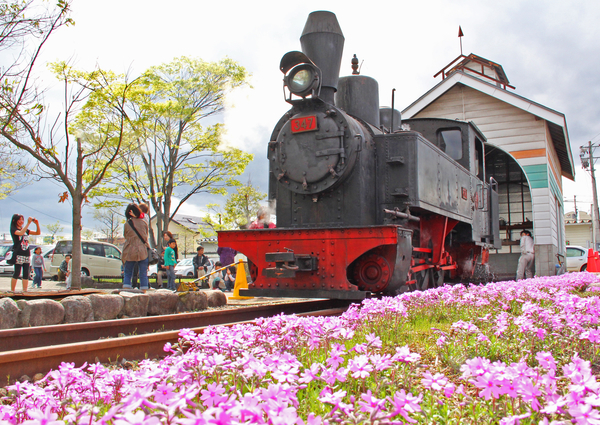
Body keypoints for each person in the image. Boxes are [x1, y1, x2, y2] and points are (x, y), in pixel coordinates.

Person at [9, 214, 41, 292]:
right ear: (14, 220)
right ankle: (12, 290)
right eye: (19, 220)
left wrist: (37, 224)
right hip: (18, 254)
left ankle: (25, 290)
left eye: (22, 219)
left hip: (26, 253)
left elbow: (37, 233)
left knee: (26, 273)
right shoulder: (14, 229)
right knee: (17, 272)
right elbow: (20, 233)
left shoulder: (25, 229)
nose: (21, 221)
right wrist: (28, 223)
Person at [122, 203, 150, 291]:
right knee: (143, 273)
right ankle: (144, 290)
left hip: (130, 250)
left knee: (128, 271)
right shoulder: (143, 222)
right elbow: (146, 237)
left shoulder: (127, 224)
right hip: (142, 250)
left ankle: (127, 288)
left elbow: (125, 236)